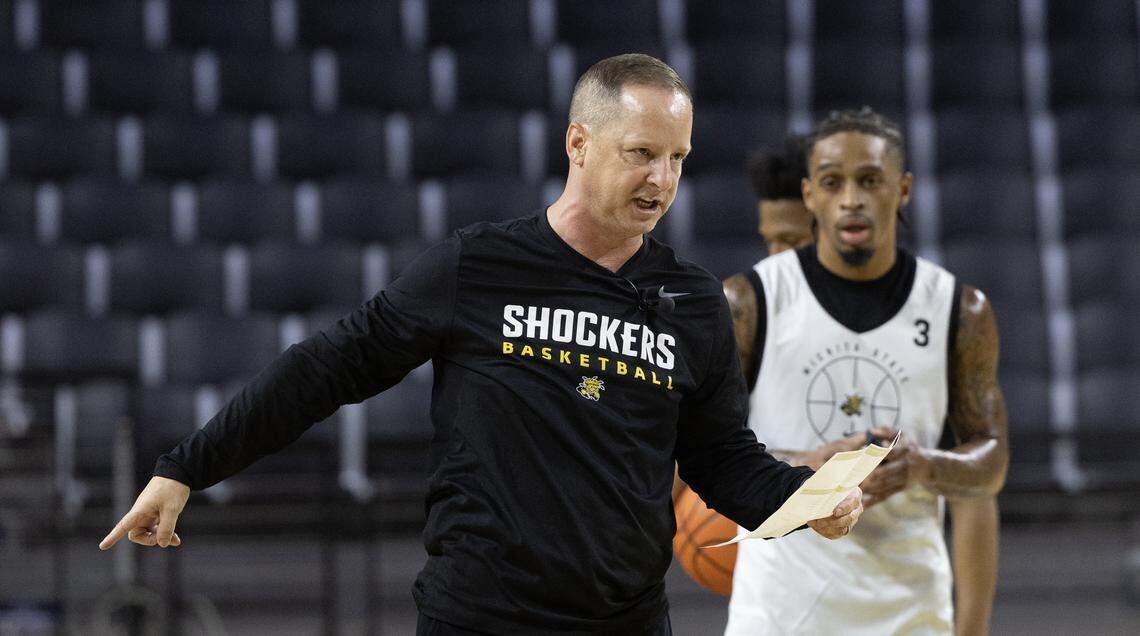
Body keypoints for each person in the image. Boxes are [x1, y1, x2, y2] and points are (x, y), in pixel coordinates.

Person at [98, 54, 864, 634]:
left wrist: (808, 500)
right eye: (641, 153)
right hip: (482, 616)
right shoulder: (479, 265)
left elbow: (722, 461)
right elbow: (329, 367)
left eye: (678, 159)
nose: (662, 179)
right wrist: (188, 466)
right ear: (579, 142)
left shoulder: (694, 301)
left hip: (625, 621)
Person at [723, 108, 1009, 635]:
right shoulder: (746, 301)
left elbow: (990, 464)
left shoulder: (959, 310)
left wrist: (922, 464)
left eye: (869, 180)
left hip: (911, 615)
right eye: (834, 182)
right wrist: (802, 467)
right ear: (811, 195)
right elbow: (702, 450)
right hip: (779, 616)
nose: (851, 197)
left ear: (902, 190)